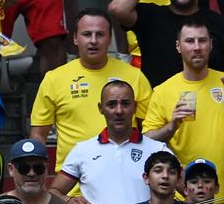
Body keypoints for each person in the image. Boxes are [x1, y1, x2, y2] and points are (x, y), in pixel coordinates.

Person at [29, 10, 154, 171]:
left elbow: (150, 130)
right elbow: (38, 135)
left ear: (110, 39)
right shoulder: (54, 79)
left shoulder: (134, 76)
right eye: (87, 34)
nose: (93, 41)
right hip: (73, 183)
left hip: (125, 174)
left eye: (100, 35)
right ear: (75, 38)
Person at [142, 20, 224, 201]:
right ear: (178, 46)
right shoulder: (163, 91)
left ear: (211, 45)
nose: (197, 47)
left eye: (202, 41)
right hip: (184, 195)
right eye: (190, 41)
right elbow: (147, 140)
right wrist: (172, 126)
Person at [57, 83, 169, 204]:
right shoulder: (82, 150)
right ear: (100, 108)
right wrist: (68, 200)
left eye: (125, 103)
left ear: (135, 106)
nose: (119, 111)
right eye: (111, 104)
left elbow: (188, 189)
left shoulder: (157, 149)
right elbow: (54, 192)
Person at [108, 0, 224, 87]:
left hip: (211, 116)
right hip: (160, 119)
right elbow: (117, 8)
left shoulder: (221, 25)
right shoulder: (150, 17)